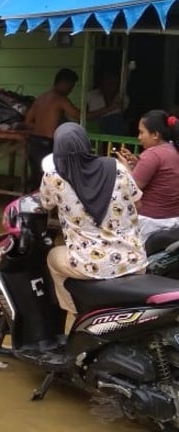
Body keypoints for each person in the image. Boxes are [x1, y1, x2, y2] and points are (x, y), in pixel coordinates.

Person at [40, 123, 146, 317]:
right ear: (86, 144)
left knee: (53, 257)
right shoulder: (116, 168)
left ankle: (76, 314)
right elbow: (138, 204)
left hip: (89, 264)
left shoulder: (53, 177)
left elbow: (45, 204)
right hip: (133, 259)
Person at [116, 110, 179, 241]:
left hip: (151, 222)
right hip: (173, 219)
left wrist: (125, 167)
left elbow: (133, 187)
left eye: (141, 132)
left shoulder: (152, 154)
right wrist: (137, 164)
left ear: (155, 134)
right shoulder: (172, 149)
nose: (139, 137)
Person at [24, 68, 80, 191]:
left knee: (36, 179)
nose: (71, 90)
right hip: (47, 145)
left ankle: (33, 207)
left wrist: (41, 126)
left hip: (34, 143)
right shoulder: (60, 99)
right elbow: (80, 115)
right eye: (71, 86)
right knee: (49, 182)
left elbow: (27, 121)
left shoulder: (41, 98)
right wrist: (108, 109)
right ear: (64, 83)